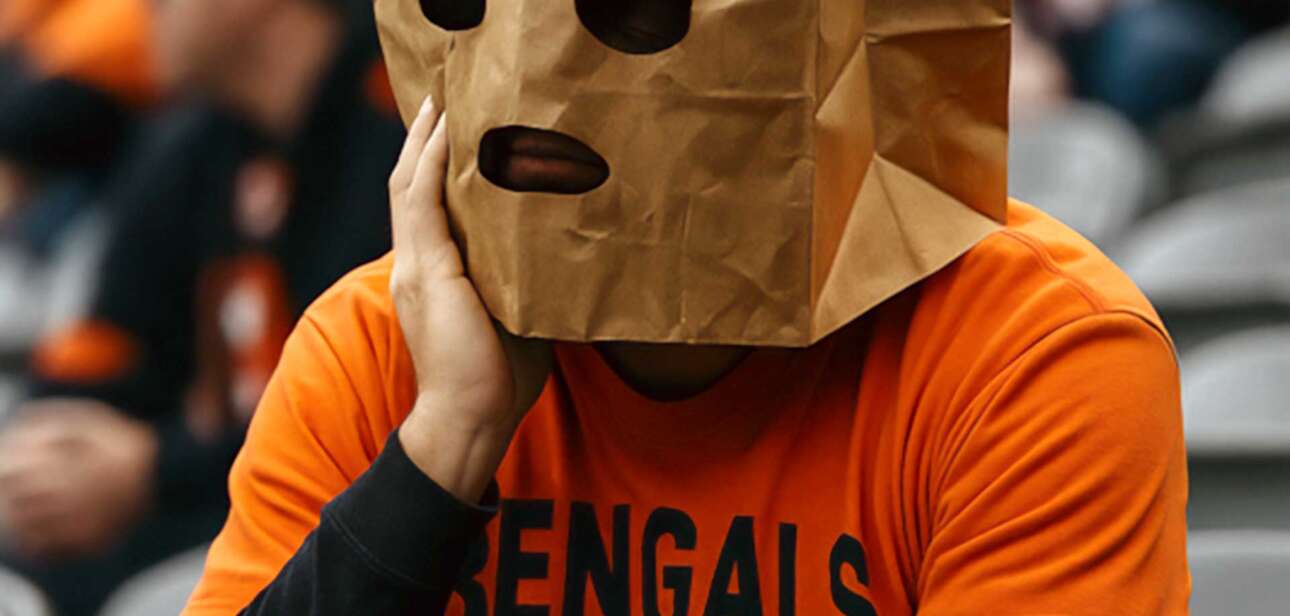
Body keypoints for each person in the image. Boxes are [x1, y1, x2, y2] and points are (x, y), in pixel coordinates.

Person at [186, 3, 1190, 615]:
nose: (540, 77)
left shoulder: (1032, 355)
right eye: (470, 5)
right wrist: (446, 443)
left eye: (634, 12)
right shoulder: (378, 352)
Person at [0, 0, 401, 614]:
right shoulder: (196, 142)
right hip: (208, 498)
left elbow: (390, 424)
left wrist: (155, 472)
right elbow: (101, 353)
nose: (143, 10)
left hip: (366, 521)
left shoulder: (400, 120)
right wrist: (41, 462)